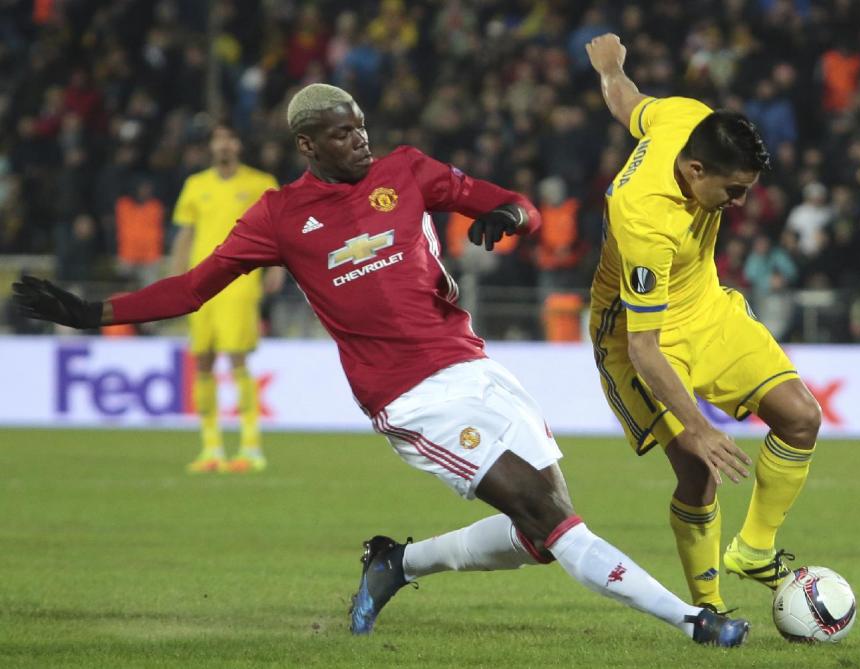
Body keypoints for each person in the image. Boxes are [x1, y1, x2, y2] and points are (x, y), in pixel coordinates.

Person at [13, 83, 751, 647]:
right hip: (410, 397)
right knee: (552, 517)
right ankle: (694, 621)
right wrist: (95, 313)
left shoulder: (408, 169)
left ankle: (397, 562)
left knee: (535, 535)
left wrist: (506, 217)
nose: (360, 141)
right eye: (342, 134)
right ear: (309, 145)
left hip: (476, 368)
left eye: (361, 125)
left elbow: (515, 202)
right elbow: (194, 286)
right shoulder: (278, 217)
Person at [585, 34, 823, 612]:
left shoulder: (687, 117)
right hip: (642, 333)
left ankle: (756, 551)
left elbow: (628, 103)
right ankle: (709, 608)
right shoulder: (645, 218)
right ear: (694, 170)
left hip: (707, 307)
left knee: (801, 417)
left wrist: (612, 67)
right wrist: (701, 427)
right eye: (733, 190)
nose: (740, 203)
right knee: (697, 470)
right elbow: (644, 348)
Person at [168, 122, 284, 474]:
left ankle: (250, 447)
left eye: (230, 138)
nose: (224, 145)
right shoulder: (195, 184)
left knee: (236, 358)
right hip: (200, 285)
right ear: (211, 147)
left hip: (239, 283)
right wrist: (176, 280)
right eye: (218, 139)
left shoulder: (261, 183)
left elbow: (279, 231)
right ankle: (211, 448)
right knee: (202, 359)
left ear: (238, 145)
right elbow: (185, 235)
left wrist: (277, 267)